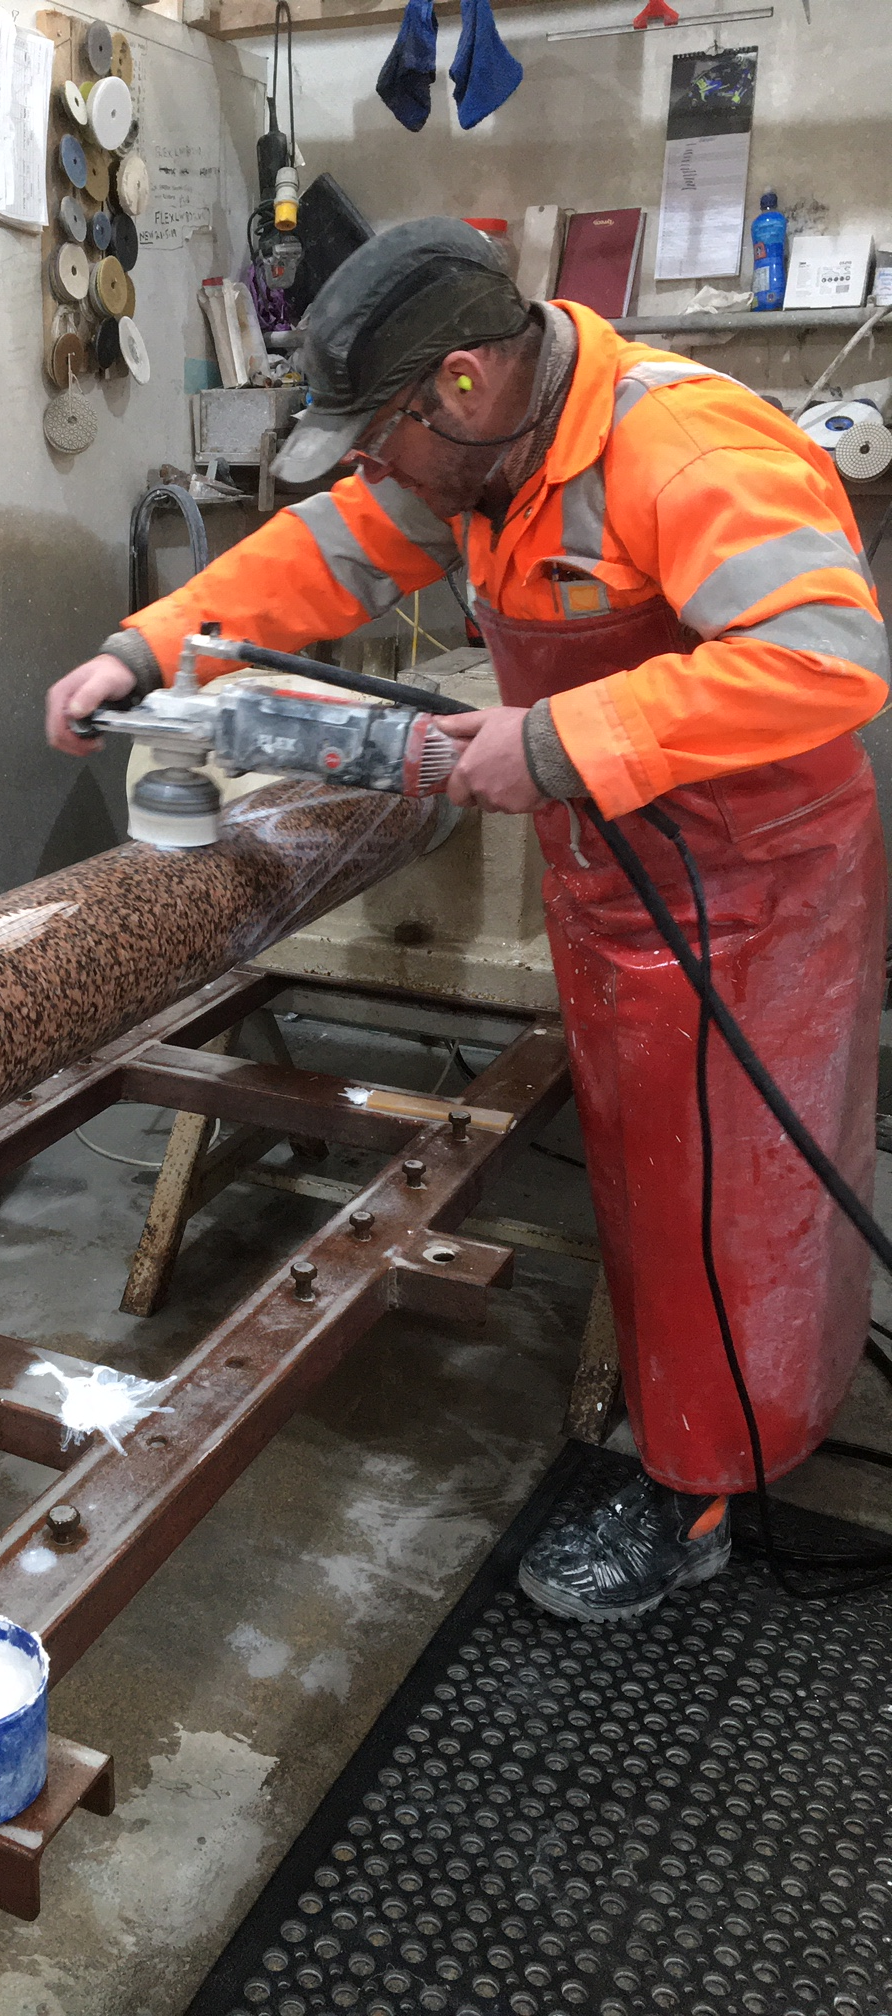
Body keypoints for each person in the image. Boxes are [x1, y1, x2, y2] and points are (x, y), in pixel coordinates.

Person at [45, 217, 890, 1624]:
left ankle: (695, 1502)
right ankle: (721, 1425)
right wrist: (148, 646)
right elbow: (320, 557)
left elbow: (826, 657)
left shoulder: (679, 452)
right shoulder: (480, 465)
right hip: (621, 868)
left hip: (751, 889)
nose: (375, 471)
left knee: (725, 1197)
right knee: (654, 1179)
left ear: (463, 382)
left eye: (383, 434)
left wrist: (555, 740)